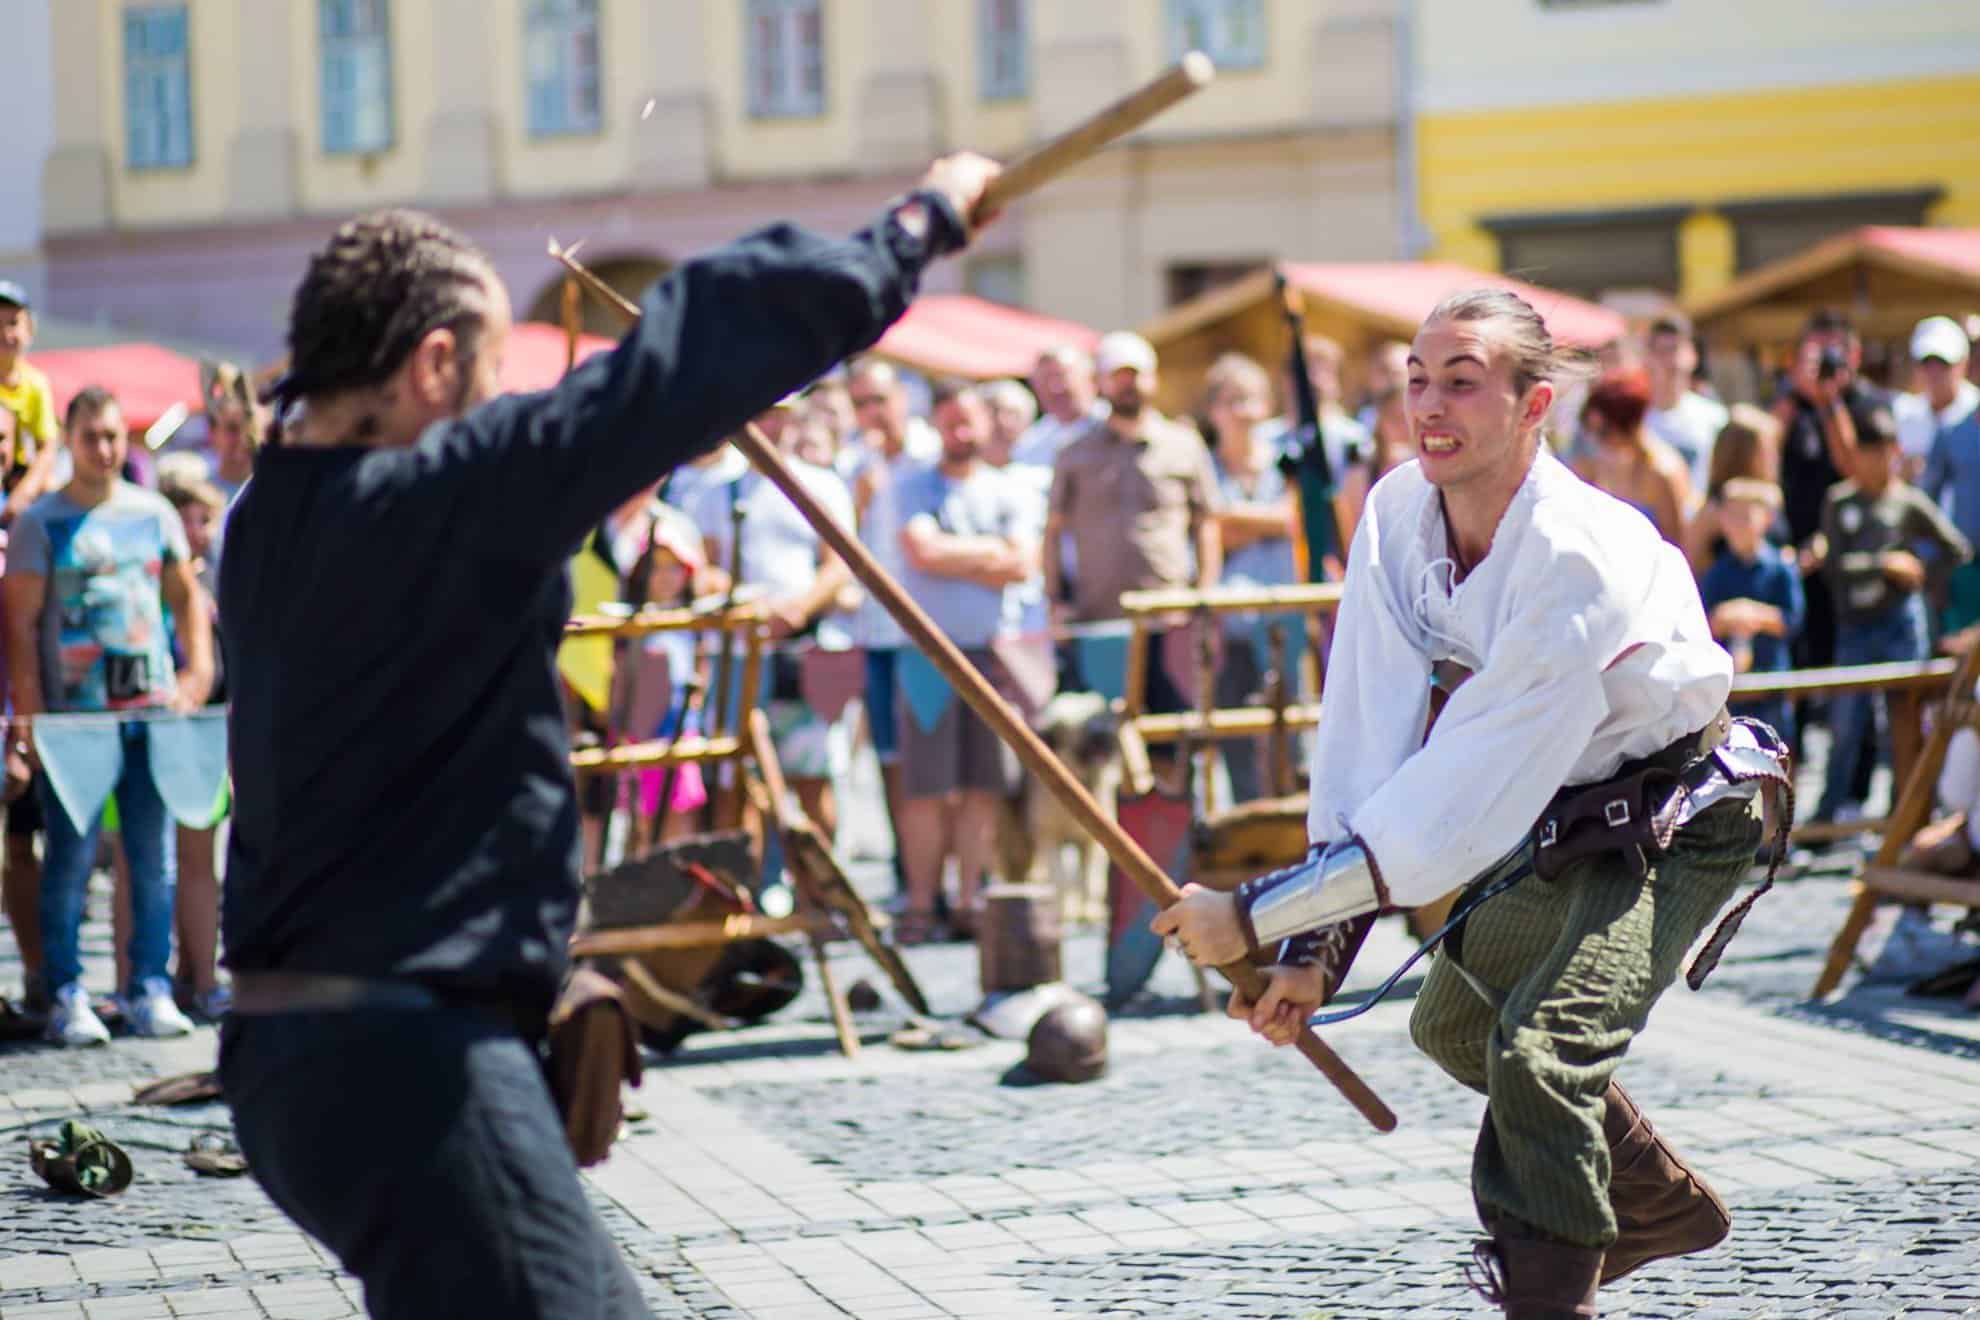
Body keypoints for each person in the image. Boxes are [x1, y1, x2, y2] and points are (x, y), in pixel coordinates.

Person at [214, 157, 998, 1319]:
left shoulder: (263, 518)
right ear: (434, 364)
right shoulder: (438, 494)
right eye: (482, 379)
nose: (489, 408)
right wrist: (916, 227)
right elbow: (677, 363)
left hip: (298, 1059)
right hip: (409, 1067)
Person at [1155, 288, 1776, 1316]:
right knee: (1449, 1025)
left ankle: (1552, 1292)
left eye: (1462, 382)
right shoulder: (1400, 510)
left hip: (1678, 819)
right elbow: (1369, 735)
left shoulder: (1580, 556)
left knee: (1540, 1053)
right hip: (1561, 807)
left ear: (1535, 407)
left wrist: (1256, 915)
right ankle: (1655, 1203)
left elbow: (1455, 802)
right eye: (1416, 382)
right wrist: (1310, 958)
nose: (1429, 407)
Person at [3, 387, 212, 1046]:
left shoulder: (153, 515)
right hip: (76, 725)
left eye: (115, 436)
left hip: (148, 712)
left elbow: (185, 598)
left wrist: (195, 675)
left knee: (151, 859)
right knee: (69, 859)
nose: (105, 449)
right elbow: (22, 627)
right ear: (69, 438)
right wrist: (29, 723)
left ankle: (148, 985)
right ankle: (67, 993)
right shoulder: (43, 522)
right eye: (92, 435)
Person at [892, 383, 1032, 942]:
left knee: (983, 784)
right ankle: (924, 904)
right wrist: (987, 555)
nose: (961, 432)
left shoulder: (1007, 488)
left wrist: (956, 554)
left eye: (969, 421)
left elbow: (1022, 562)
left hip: (991, 652)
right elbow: (920, 552)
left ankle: (972, 899)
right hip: (928, 654)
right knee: (927, 787)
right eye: (951, 421)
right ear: (938, 424)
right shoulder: (911, 486)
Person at [1044, 331, 1220, 715]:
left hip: (1170, 614)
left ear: (1152, 379)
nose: (1128, 386)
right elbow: (1054, 530)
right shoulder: (1074, 454)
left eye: (1135, 375)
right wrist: (1056, 599)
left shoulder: (1183, 444)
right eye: (1118, 377)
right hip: (1101, 617)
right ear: (1102, 383)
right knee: (1104, 736)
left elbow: (1206, 523)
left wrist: (1204, 594)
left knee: (1175, 735)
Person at [1812, 412, 1971, 824]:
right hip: (1855, 627)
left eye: (1883, 453)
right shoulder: (1839, 501)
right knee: (1846, 724)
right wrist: (1884, 564)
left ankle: (1910, 813)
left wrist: (1919, 571)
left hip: (1900, 623)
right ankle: (1828, 814)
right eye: (1867, 453)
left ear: (1894, 453)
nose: (1876, 462)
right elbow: (1832, 567)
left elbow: (1955, 549)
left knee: (1903, 725)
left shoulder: (1909, 501)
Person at [1202, 352, 1295, 802]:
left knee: (1293, 734)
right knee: (1236, 735)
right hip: (1230, 625)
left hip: (1286, 619)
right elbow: (1207, 531)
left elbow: (1294, 520)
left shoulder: (1286, 459)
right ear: (1214, 409)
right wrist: (1264, 523)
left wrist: (1230, 520)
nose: (1243, 411)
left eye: (1251, 399)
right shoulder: (1205, 467)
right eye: (1232, 400)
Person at [1698, 478, 1803, 745]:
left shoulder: (1780, 569)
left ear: (1766, 519)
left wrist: (1754, 616)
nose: (1738, 524)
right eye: (1731, 516)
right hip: (1731, 690)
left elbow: (1793, 620)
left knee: (1777, 749)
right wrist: (1726, 618)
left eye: (1746, 516)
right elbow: (1702, 625)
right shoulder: (1716, 573)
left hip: (1771, 683)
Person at [1571, 366, 1691, 547]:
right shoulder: (1595, 464)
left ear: (1630, 425)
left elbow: (1677, 547)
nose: (1596, 440)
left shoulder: (1662, 472)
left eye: (1604, 431)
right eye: (1591, 429)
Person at [1643, 313, 1728, 492]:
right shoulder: (1632, 415)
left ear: (1693, 356)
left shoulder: (1715, 417)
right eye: (1660, 350)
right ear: (1648, 357)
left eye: (1674, 348)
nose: (1668, 359)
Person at [0, 280, 61, 530]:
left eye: (13, 323)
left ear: (30, 329)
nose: (5, 334)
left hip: (19, 478)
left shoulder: (35, 384)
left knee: (53, 489)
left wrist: (23, 493)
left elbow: (47, 448)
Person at [1895, 315, 1977, 473]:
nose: (1934, 373)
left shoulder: (1976, 411)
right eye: (1926, 363)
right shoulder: (1902, 414)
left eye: (1943, 363)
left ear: (1964, 363)